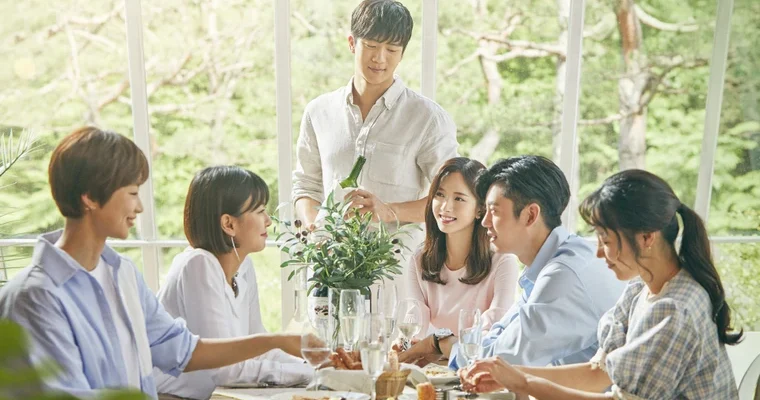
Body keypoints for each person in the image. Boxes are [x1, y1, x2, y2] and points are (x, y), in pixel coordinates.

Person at [0, 127, 314, 399]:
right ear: (90, 198)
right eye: (132, 192)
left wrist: (278, 342)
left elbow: (182, 350)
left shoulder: (123, 274)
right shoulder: (35, 297)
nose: (139, 207)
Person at [459, 169, 741, 399]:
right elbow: (599, 372)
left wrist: (523, 382)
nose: (598, 253)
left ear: (647, 237)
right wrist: (509, 376)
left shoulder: (673, 309)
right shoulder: (641, 288)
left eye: (606, 241)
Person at [399, 155, 625, 368]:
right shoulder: (551, 263)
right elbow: (501, 334)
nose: (485, 222)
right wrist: (442, 343)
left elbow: (503, 360)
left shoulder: (563, 276)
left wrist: (440, 342)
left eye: (494, 211)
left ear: (530, 215)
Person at [291, 1, 459, 282]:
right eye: (371, 45)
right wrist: (314, 230)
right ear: (352, 43)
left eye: (391, 50)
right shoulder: (319, 111)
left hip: (396, 275)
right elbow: (306, 184)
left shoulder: (427, 118)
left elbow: (452, 197)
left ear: (402, 53)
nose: (380, 58)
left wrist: (389, 211)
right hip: (328, 270)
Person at [153, 166, 313, 399]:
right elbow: (225, 371)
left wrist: (314, 365)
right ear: (228, 224)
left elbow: (257, 346)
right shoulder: (198, 265)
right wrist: (309, 373)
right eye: (260, 211)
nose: (268, 221)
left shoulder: (243, 266)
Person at [405, 157, 519, 336]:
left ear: (480, 209)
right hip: (430, 354)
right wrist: (403, 344)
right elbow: (414, 325)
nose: (445, 207)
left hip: (476, 354)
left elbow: (495, 330)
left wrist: (443, 347)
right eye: (439, 195)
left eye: (458, 198)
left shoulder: (503, 261)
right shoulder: (419, 258)